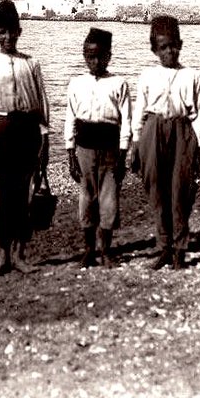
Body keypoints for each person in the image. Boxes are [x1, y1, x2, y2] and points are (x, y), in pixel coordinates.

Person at [0, 0, 51, 276]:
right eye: (1, 32)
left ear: (20, 31)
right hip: (1, 129)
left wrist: (45, 140)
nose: (8, 37)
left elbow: (42, 103)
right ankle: (3, 254)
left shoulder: (32, 64)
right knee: (1, 196)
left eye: (12, 31)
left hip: (28, 130)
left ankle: (20, 253)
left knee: (25, 194)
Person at [129, 15, 200, 270]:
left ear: (180, 44)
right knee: (156, 188)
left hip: (182, 130)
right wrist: (136, 144)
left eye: (173, 45)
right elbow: (139, 111)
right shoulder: (147, 76)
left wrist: (197, 147)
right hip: (153, 129)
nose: (169, 51)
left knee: (181, 189)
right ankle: (164, 247)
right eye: (163, 47)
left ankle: (180, 249)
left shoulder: (192, 76)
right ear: (155, 50)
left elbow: (199, 115)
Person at [64, 27, 132, 269]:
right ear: (84, 56)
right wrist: (70, 153)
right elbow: (70, 118)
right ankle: (88, 250)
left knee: (109, 200)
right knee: (86, 199)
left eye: (100, 56)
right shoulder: (76, 83)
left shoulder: (119, 83)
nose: (95, 61)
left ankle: (106, 251)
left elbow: (126, 121)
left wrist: (123, 154)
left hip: (111, 150)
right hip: (84, 149)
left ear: (109, 56)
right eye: (90, 56)